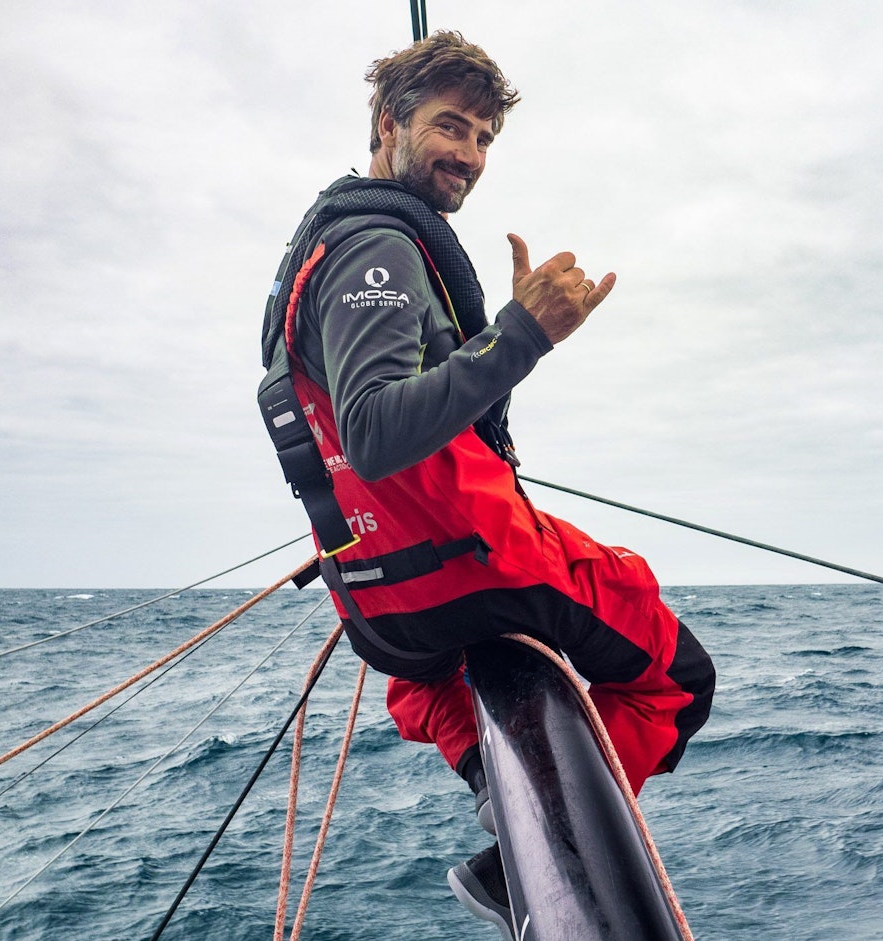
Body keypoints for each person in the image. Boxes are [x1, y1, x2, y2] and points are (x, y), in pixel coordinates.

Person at [255, 31, 715, 938]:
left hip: (381, 608)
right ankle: (535, 864)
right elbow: (377, 429)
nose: (467, 154)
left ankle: (508, 819)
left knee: (430, 690)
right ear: (388, 124)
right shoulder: (377, 249)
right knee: (679, 677)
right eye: (449, 127)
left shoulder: (326, 245)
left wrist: (497, 344)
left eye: (484, 139)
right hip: (468, 566)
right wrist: (523, 335)